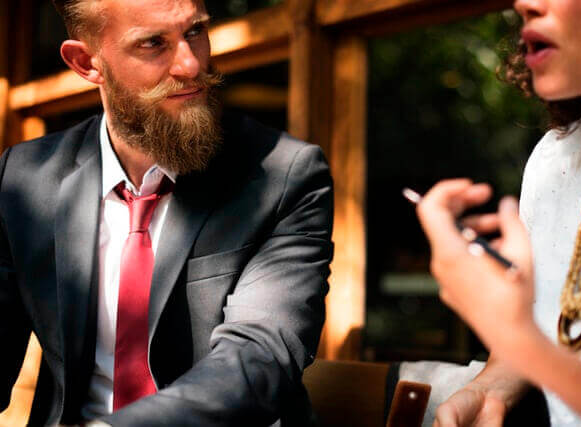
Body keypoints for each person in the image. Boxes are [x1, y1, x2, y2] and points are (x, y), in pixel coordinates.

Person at [0, 0, 333, 425]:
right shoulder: (24, 179)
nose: (191, 65)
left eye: (195, 32)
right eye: (154, 43)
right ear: (87, 63)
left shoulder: (284, 174)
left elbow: (257, 360)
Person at [415, 0, 581, 425]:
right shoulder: (559, 159)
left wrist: (514, 337)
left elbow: (528, 345)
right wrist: (484, 392)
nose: (525, 3)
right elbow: (542, 336)